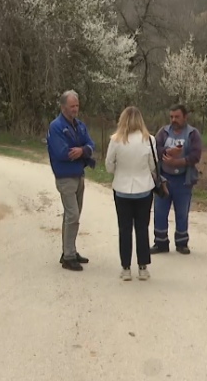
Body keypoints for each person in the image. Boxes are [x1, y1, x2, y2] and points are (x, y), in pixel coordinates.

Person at [104, 106, 157, 281]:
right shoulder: (149, 140)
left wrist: (121, 169)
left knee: (124, 228)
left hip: (122, 189)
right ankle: (143, 267)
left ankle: (126, 268)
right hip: (143, 189)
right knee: (142, 228)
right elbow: (153, 166)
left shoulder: (116, 140)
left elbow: (109, 166)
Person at [46, 90, 96, 271]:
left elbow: (91, 144)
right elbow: (62, 152)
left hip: (78, 174)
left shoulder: (80, 125)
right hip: (65, 176)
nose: (75, 109)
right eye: (71, 106)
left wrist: (82, 151)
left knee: (73, 215)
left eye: (76, 106)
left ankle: (70, 251)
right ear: (63, 107)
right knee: (72, 214)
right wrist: (82, 150)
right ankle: (68, 257)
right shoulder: (56, 126)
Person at [151, 104, 202, 254]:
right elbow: (154, 149)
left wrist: (177, 162)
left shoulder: (192, 134)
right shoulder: (163, 132)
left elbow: (195, 155)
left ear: (185, 117)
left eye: (177, 117)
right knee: (160, 211)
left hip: (183, 180)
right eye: (171, 117)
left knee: (181, 213)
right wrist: (167, 151)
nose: (174, 120)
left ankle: (181, 243)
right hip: (164, 179)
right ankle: (160, 243)